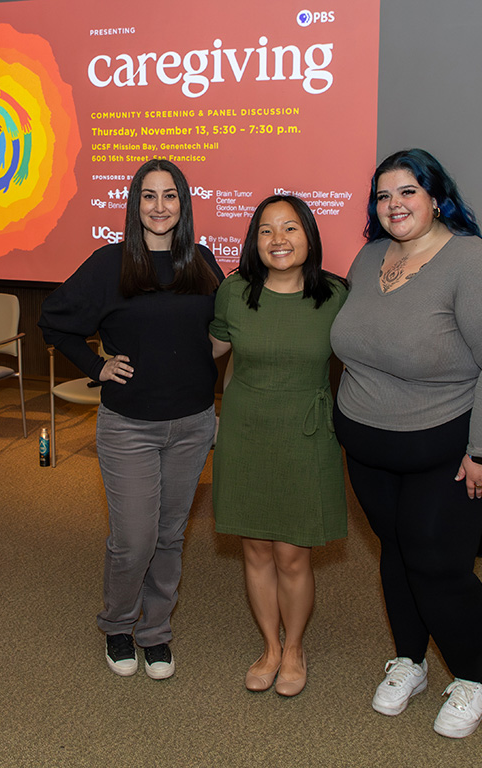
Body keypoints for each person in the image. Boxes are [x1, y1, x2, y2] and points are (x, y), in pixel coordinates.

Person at [330, 149, 482, 737]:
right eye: (384, 195)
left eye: (408, 192)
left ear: (436, 197)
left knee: (438, 563)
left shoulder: (475, 261)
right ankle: (410, 662)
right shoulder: (369, 259)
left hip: (447, 448)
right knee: (396, 552)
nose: (394, 205)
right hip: (368, 446)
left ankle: (470, 678)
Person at [39, 159, 223, 681]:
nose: (160, 206)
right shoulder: (109, 264)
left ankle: (156, 632)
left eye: (170, 196)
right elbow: (54, 320)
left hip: (193, 423)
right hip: (130, 428)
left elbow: (224, 329)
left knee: (168, 536)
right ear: (134, 204)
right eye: (149, 196)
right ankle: (118, 623)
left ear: (183, 204)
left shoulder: (204, 264)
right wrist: (97, 366)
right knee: (134, 539)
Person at [209, 195, 348, 697]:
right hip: (246, 431)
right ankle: (270, 646)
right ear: (254, 240)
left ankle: (295, 649)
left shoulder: (335, 295)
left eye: (290, 228)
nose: (278, 240)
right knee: (255, 547)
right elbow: (213, 349)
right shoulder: (234, 292)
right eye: (266, 230)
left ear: (309, 236)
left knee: (293, 554)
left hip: (305, 435)